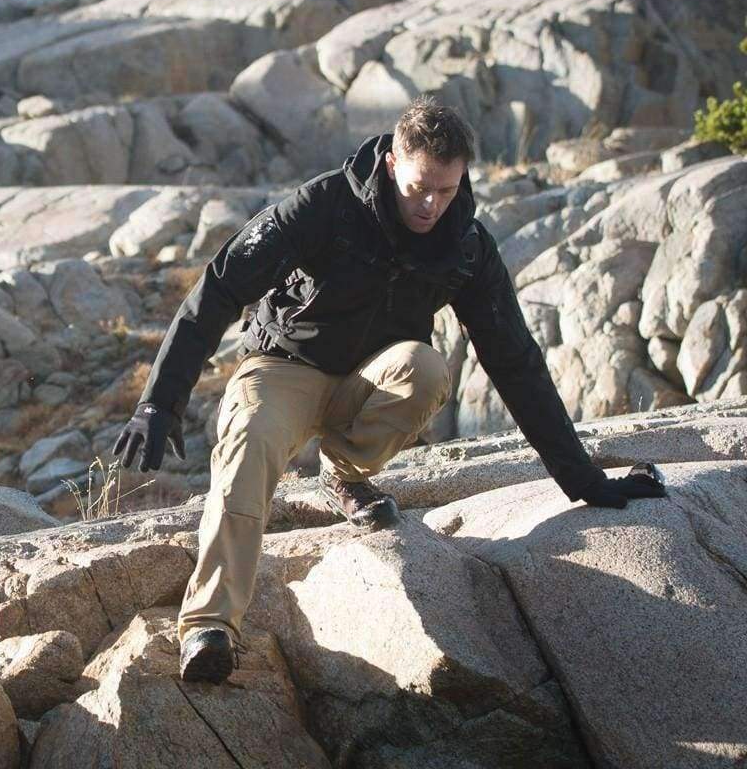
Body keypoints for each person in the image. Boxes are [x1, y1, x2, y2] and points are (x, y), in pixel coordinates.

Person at [113, 96, 666, 684]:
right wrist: (161, 399)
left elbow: (515, 362)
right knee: (248, 445)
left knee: (425, 369)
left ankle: (343, 476)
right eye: (420, 187)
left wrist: (582, 480)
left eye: (447, 190)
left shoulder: (466, 246)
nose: (431, 205)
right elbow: (220, 286)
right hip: (284, 366)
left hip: (371, 381)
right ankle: (210, 627)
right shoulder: (323, 205)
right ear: (392, 163)